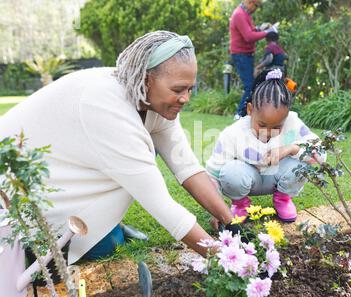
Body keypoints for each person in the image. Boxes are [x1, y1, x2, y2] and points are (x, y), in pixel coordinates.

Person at [0, 31, 236, 267]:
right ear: (146, 80)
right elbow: (161, 205)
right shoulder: (108, 107)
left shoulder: (157, 103)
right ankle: (92, 231)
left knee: (141, 154)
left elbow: (186, 166)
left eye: (190, 89)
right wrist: (230, 261)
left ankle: (105, 224)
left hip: (74, 163)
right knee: (105, 246)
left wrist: (230, 220)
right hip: (24, 185)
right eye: (178, 90)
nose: (185, 98)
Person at [206, 68, 325, 223]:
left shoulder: (292, 123)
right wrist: (216, 209)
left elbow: (320, 153)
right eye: (261, 124)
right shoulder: (233, 133)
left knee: (301, 166)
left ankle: (283, 199)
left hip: (277, 177)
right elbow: (213, 173)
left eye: (277, 127)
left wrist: (291, 149)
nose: (268, 132)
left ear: (286, 116)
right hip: (246, 178)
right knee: (230, 171)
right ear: (250, 110)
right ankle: (241, 204)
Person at [229, 0, 277, 120]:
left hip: (246, 54)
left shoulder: (245, 15)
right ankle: (240, 114)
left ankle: (244, 114)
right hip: (241, 54)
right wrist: (267, 32)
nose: (256, 8)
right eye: (256, 5)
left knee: (251, 85)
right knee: (250, 85)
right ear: (250, 2)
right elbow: (248, 36)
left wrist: (260, 28)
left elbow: (251, 31)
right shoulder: (239, 14)